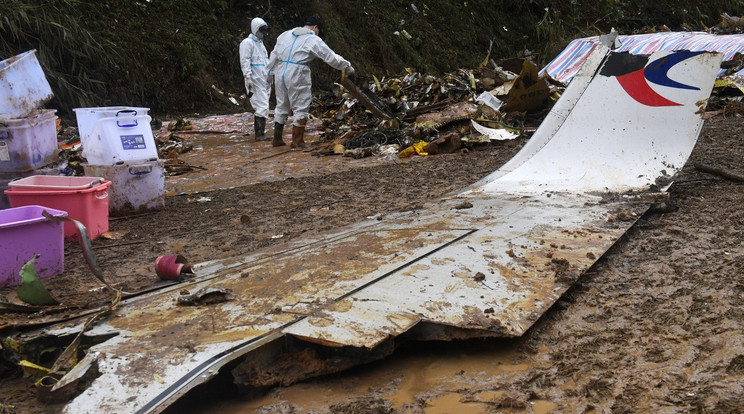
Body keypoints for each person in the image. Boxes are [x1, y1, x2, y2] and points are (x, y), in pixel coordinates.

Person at [267, 16, 355, 148]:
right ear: (315, 28)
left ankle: (277, 139)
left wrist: (269, 74)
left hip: (280, 71)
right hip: (297, 72)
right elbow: (330, 57)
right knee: (301, 106)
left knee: (282, 105)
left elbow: (273, 55)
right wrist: (347, 67)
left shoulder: (285, 35)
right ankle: (297, 142)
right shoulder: (312, 39)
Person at [239, 17, 271, 141]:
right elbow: (245, 61)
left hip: (263, 80)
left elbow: (266, 61)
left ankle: (260, 133)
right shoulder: (247, 43)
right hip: (254, 79)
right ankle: (259, 135)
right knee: (261, 106)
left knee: (264, 105)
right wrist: (247, 77)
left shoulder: (261, 44)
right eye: (261, 30)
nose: (264, 33)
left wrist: (270, 76)